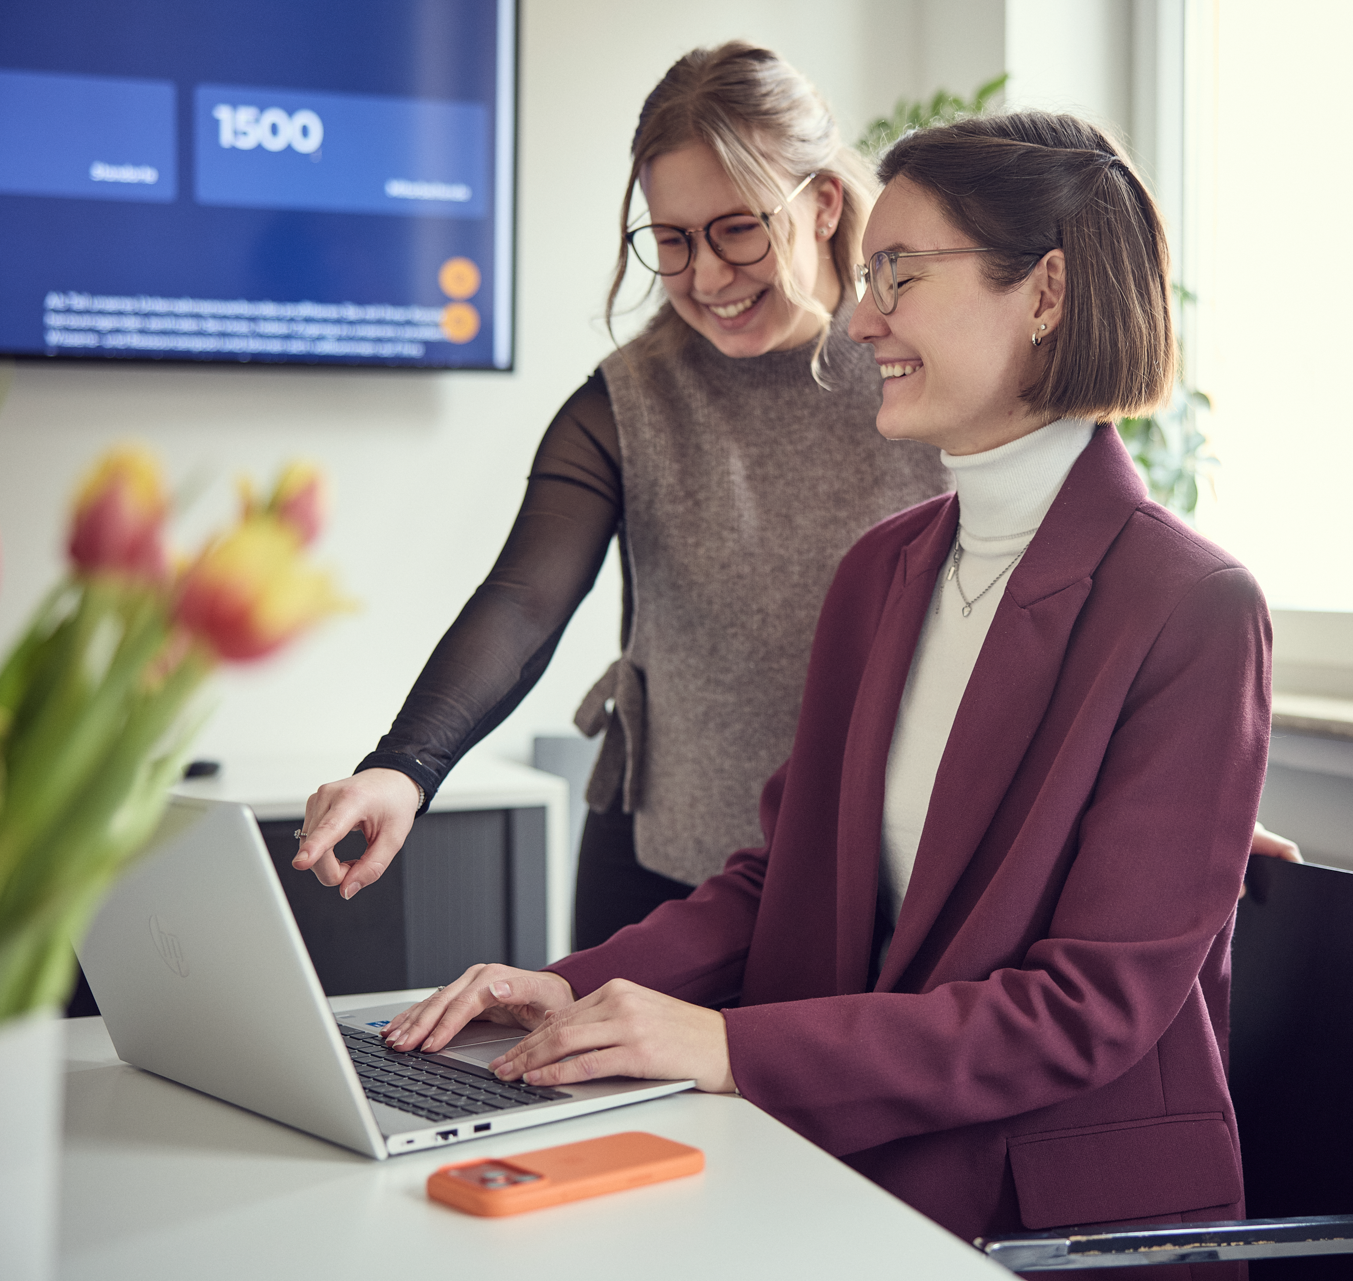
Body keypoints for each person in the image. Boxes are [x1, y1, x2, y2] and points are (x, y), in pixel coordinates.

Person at [383, 111, 1271, 1265]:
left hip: (1048, 1219)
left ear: (1045, 292)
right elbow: (783, 876)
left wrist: (730, 1049)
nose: (860, 319)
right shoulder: (886, 569)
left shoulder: (1192, 603)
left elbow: (1083, 1013)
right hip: (854, 1159)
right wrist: (572, 988)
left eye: (896, 274)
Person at [289, 43, 1298, 951]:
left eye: (737, 229)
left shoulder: (937, 374)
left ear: (819, 203)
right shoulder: (631, 404)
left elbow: (1100, 575)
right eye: (671, 240)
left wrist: (1153, 801)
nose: (706, 274)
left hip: (883, 867)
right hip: (679, 867)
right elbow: (522, 601)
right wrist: (405, 765)